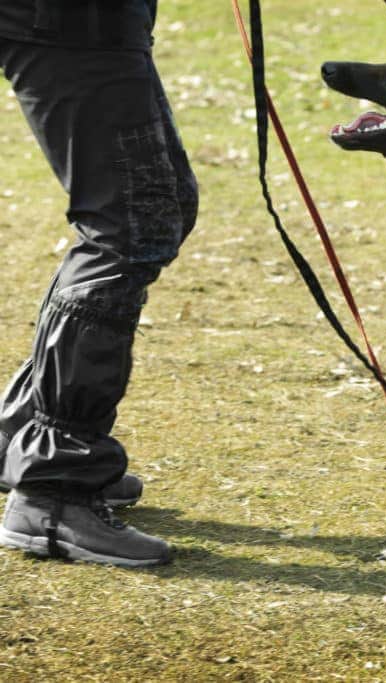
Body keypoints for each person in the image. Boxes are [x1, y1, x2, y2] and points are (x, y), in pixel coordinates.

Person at [0, 0, 197, 567]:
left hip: (91, 20)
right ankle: (55, 487)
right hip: (66, 17)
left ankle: (23, 438)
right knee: (130, 223)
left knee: (160, 209)